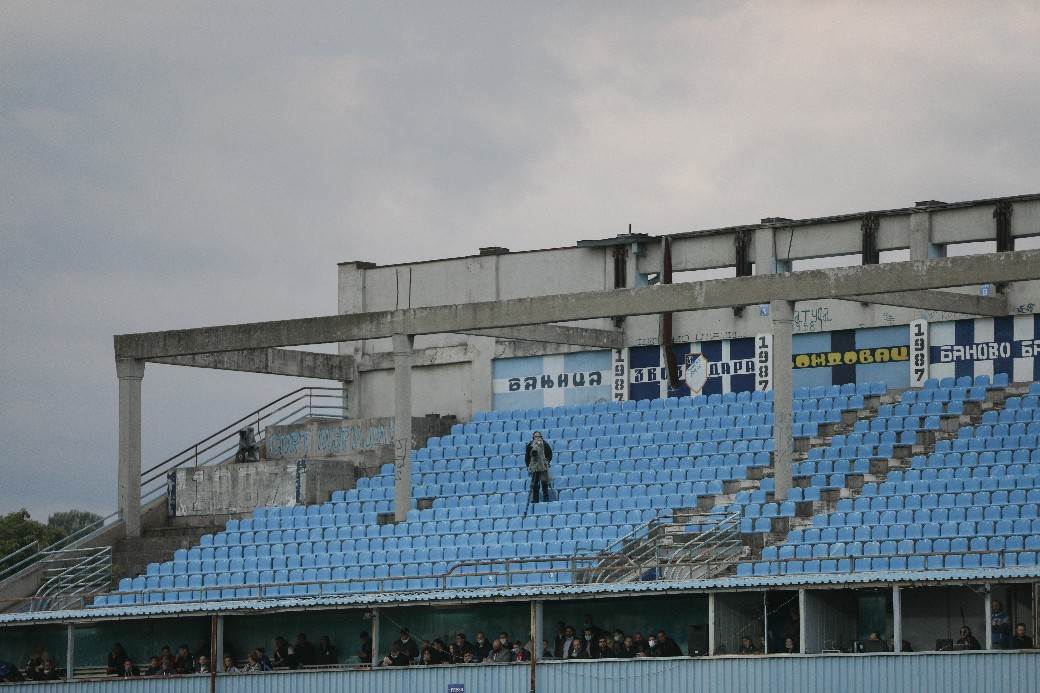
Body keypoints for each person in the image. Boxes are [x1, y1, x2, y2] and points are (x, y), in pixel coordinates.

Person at [524, 431, 553, 503]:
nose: (537, 438)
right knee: (535, 484)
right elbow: (527, 456)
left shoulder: (545, 444)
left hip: (543, 466)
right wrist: (529, 466)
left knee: (544, 482)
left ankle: (546, 497)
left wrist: (547, 461)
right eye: (535, 437)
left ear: (541, 437)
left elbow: (550, 454)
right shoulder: (530, 445)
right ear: (533, 438)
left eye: (538, 436)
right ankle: (535, 498)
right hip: (534, 466)